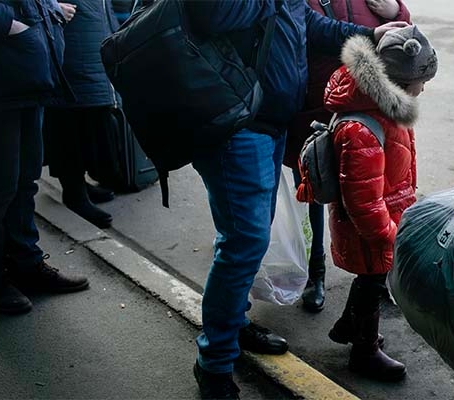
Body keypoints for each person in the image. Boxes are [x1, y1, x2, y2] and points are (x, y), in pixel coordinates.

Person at [181, 2, 407, 398]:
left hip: (268, 121)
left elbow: (310, 24)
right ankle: (214, 363)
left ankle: (233, 326)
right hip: (237, 122)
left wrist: (371, 35)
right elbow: (211, 14)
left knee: (249, 239)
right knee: (244, 241)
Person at [316, 26, 437, 381]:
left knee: (372, 280)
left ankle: (349, 327)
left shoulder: (387, 109)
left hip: (385, 218)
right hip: (370, 229)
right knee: (372, 282)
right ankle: (364, 352)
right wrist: (388, 235)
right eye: (421, 81)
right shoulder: (363, 128)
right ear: (397, 82)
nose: (424, 89)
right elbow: (363, 201)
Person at [286, 0, 411, 313]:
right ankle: (316, 272)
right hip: (314, 110)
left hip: (370, 113)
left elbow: (402, 36)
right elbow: (317, 31)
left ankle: (374, 279)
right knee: (316, 193)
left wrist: (396, 12)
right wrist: (371, 33)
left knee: (373, 198)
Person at [0, 0, 90, 315]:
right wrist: (15, 26)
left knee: (25, 180)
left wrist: (49, 11)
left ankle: (26, 265)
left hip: (27, 79)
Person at [43, 0, 120, 229]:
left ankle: (81, 185)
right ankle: (74, 193)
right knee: (69, 123)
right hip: (69, 42)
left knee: (90, 120)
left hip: (91, 36)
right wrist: (53, 8)